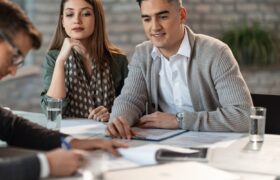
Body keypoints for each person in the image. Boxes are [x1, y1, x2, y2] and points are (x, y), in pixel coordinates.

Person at [0, 1, 127, 180]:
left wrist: (72, 142)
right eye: (15, 57)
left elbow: (10, 126)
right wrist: (46, 164)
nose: (12, 71)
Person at [106, 0, 253, 139]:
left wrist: (179, 120)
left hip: (211, 147)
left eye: (163, 17)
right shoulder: (143, 54)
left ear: (182, 15)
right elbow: (131, 99)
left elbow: (243, 116)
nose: (155, 27)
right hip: (162, 145)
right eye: (147, 19)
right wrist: (118, 120)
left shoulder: (216, 52)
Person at [40, 0, 129, 122]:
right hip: (69, 136)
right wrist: (60, 61)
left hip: (107, 135)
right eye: (70, 14)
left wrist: (112, 115)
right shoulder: (54, 58)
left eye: (85, 14)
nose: (77, 20)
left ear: (97, 19)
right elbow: (52, 113)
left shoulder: (118, 61)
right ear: (62, 21)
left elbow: (131, 106)